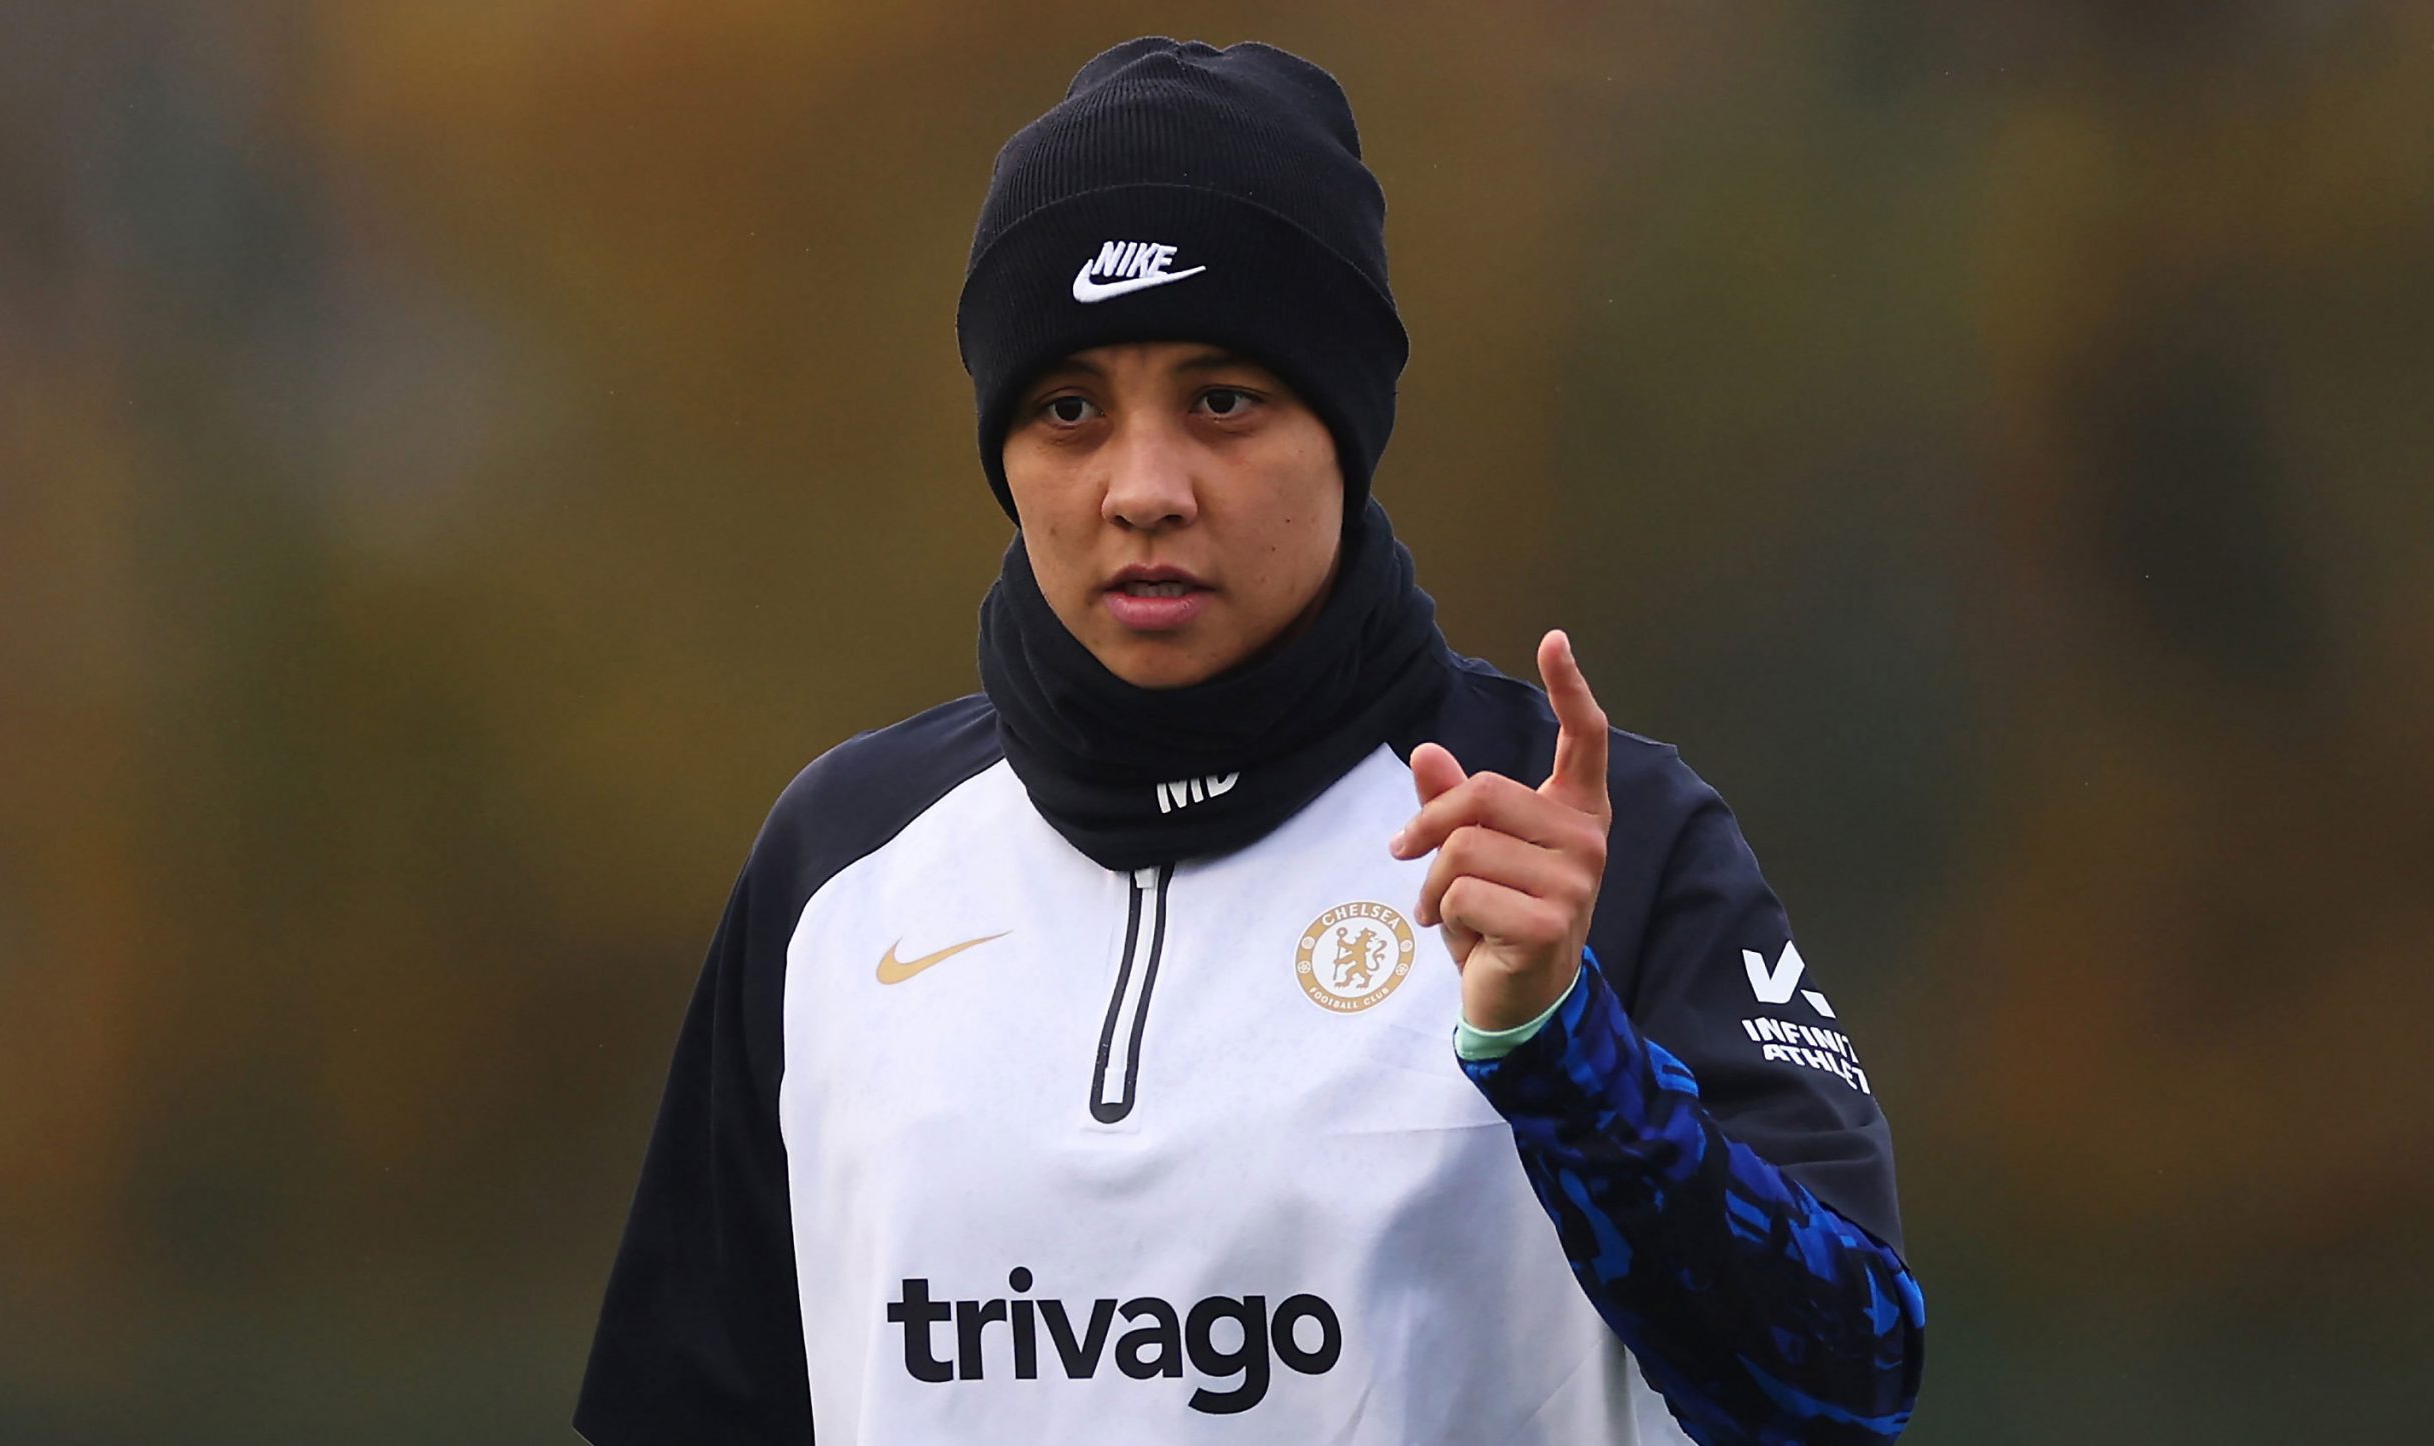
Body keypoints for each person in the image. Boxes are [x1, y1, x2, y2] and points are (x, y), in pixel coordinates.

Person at [575, 36, 1923, 1446]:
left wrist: (1562, 1048)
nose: (1142, 487)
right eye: (1068, 409)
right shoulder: (839, 862)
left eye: (1223, 400)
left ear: (1346, 426)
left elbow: (1845, 1390)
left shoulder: (1582, 839)